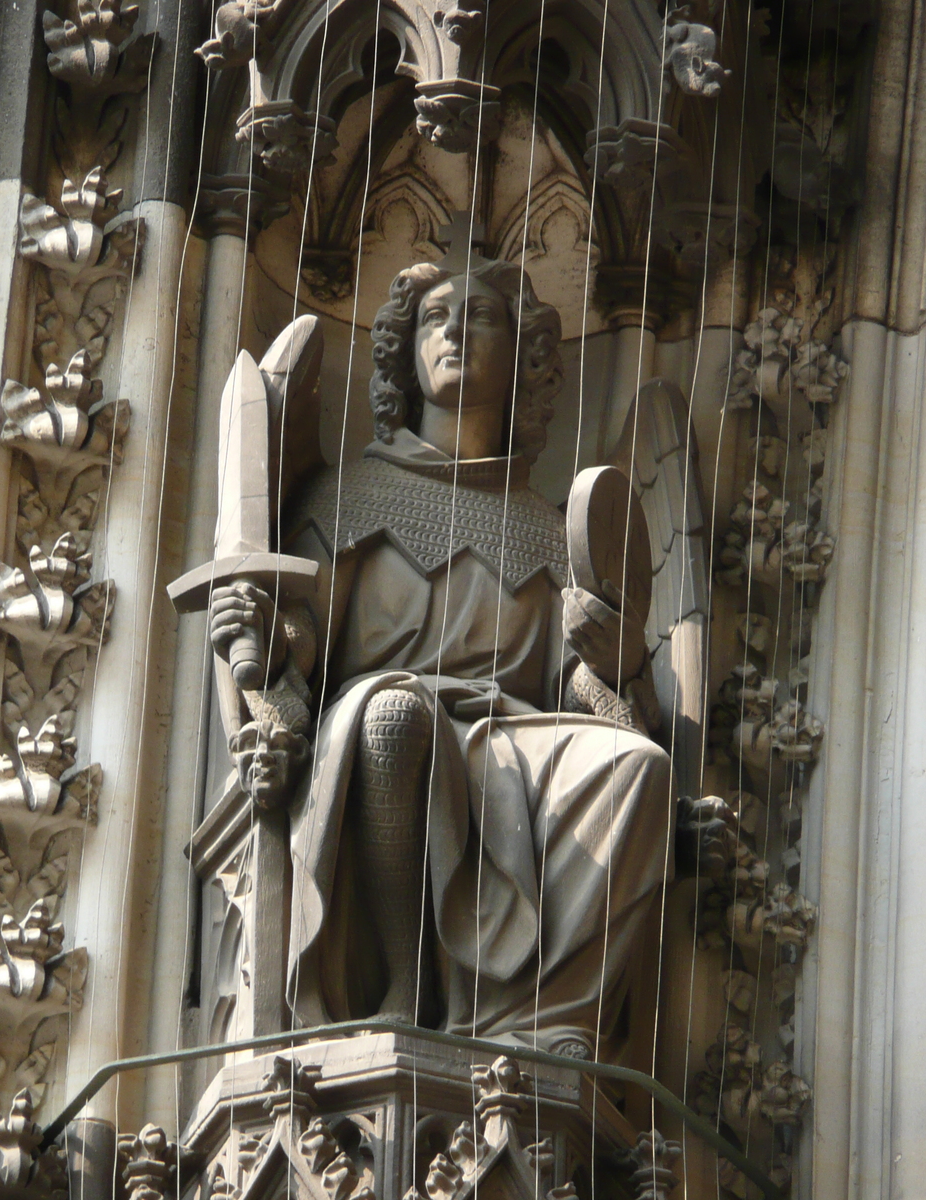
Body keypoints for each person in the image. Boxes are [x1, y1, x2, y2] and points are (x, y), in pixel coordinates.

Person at [208, 255, 672, 1059]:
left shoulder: (547, 524)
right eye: (435, 317)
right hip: (377, 737)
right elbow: (298, 653)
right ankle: (404, 980)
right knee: (393, 712)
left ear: (525, 356)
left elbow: (582, 689)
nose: (455, 330)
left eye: (481, 315)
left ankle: (542, 1024)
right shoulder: (345, 498)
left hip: (514, 743)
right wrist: (263, 690)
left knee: (639, 769)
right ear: (403, 353)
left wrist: (616, 666)